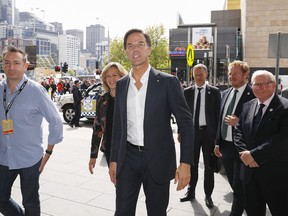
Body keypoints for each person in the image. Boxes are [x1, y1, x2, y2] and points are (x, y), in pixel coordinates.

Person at [109, 28, 194, 216]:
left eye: (140, 44)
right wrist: (113, 159)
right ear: (126, 52)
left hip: (158, 159)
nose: (135, 49)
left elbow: (186, 124)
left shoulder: (168, 82)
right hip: (128, 158)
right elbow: (117, 126)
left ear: (149, 49)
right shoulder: (122, 84)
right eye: (130, 46)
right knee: (122, 211)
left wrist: (186, 163)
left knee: (156, 212)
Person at [0, 46, 63, 215]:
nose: (11, 67)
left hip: (30, 158)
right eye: (7, 62)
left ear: (25, 66)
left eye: (16, 63)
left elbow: (56, 121)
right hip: (4, 157)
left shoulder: (36, 91)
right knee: (1, 199)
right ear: (3, 65)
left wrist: (48, 152)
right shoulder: (0, 90)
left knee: (31, 202)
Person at [234, 70, 288, 215]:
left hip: (275, 175)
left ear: (273, 85)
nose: (260, 87)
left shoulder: (285, 107)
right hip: (249, 174)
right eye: (256, 84)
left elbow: (283, 138)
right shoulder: (247, 106)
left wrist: (255, 155)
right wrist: (245, 155)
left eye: (265, 84)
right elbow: (238, 132)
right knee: (253, 211)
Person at [214, 60, 255, 216]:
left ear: (245, 75)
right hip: (225, 146)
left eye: (235, 74)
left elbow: (258, 122)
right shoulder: (225, 93)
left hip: (242, 148)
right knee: (233, 183)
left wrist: (239, 122)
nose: (231, 77)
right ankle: (245, 203)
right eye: (230, 73)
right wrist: (217, 143)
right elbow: (220, 119)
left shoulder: (253, 94)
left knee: (238, 186)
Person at [179, 64, 221, 208]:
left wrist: (217, 138)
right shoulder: (187, 92)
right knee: (192, 164)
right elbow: (182, 115)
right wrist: (180, 131)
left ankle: (208, 195)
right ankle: (191, 192)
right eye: (196, 74)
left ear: (206, 74)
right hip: (192, 134)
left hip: (208, 134)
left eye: (201, 74)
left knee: (209, 166)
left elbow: (218, 116)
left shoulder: (215, 92)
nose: (198, 77)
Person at [89, 62, 128, 173]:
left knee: (124, 186)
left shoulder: (129, 97)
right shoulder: (102, 99)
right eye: (108, 76)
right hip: (109, 148)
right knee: (117, 184)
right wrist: (93, 155)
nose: (111, 79)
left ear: (122, 76)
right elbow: (97, 128)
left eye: (115, 75)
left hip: (128, 150)